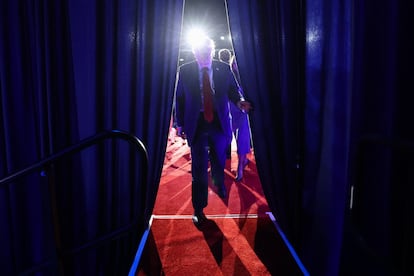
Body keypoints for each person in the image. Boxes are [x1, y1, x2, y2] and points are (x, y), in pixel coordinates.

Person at [175, 37, 251, 226]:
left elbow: (233, 91)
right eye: (201, 52)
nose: (205, 56)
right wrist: (180, 124)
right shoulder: (185, 71)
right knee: (199, 167)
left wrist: (239, 102)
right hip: (197, 123)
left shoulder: (223, 68)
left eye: (208, 52)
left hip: (219, 121)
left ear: (212, 51)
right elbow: (180, 98)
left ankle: (219, 181)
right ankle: (198, 208)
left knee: (219, 158)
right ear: (195, 53)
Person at [218, 49, 251, 182]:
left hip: (241, 110)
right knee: (224, 137)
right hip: (230, 109)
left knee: (242, 139)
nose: (236, 64)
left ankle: (240, 167)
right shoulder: (226, 74)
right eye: (235, 62)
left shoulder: (247, 76)